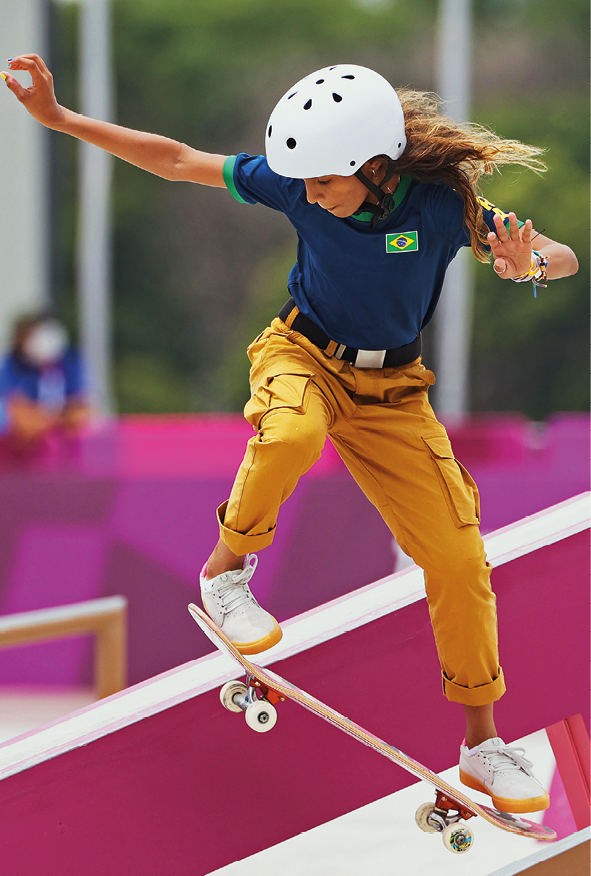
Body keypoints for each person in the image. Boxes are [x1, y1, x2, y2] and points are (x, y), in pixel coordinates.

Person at [3, 55, 577, 814]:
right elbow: (177, 160)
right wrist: (62, 120)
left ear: (374, 165)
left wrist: (524, 265)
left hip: (393, 396)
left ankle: (481, 744)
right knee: (290, 436)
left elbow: (558, 256)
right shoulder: (297, 183)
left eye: (323, 182)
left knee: (460, 558)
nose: (307, 195)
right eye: (300, 183)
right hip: (300, 354)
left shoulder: (441, 205)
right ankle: (227, 570)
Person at [0, 312, 89, 447]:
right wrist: (61, 421)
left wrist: (49, 421)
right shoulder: (10, 367)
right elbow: (23, 423)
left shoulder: (71, 363)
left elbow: (81, 414)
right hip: (18, 455)